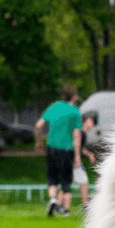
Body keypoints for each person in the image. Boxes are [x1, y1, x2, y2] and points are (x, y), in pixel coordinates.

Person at [35, 85, 82, 216]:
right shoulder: (75, 112)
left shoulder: (53, 106)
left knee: (52, 178)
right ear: (74, 96)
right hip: (67, 149)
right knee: (66, 181)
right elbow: (76, 135)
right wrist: (77, 156)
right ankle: (66, 211)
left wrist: (39, 142)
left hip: (51, 147)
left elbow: (38, 126)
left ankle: (53, 200)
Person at [74, 113, 96, 210]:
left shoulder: (83, 133)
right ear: (85, 122)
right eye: (90, 121)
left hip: (72, 160)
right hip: (73, 161)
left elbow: (81, 149)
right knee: (84, 181)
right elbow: (76, 147)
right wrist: (76, 159)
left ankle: (56, 204)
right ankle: (85, 205)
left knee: (65, 184)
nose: (92, 124)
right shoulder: (80, 133)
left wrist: (89, 154)